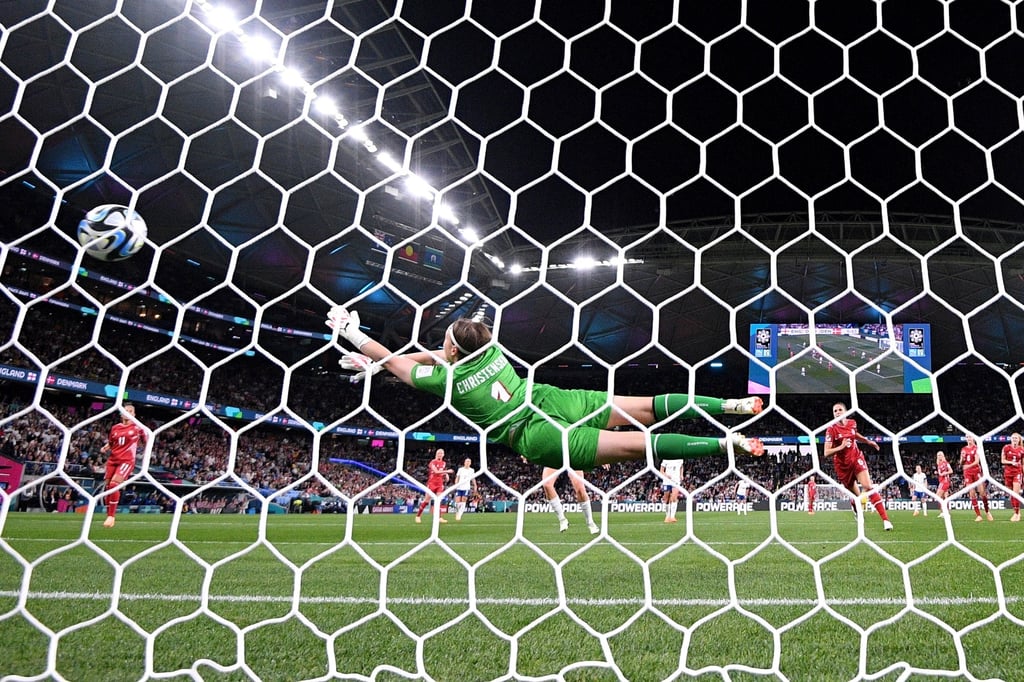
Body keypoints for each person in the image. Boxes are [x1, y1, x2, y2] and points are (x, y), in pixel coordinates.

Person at [326, 307, 765, 472]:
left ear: (453, 350)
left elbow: (404, 363)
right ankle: (730, 405)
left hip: (535, 434)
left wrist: (353, 335)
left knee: (640, 447)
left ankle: (726, 445)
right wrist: (379, 363)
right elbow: (433, 355)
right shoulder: (492, 351)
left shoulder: (449, 380)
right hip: (549, 398)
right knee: (646, 406)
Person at [823, 401, 893, 531]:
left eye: (840, 410)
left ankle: (886, 520)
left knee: (868, 487)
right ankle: (855, 507)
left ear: (846, 412)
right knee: (856, 497)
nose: (837, 412)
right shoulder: (831, 429)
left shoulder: (852, 423)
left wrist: (867, 441)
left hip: (856, 459)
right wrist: (841, 447)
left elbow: (854, 434)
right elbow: (826, 452)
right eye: (835, 411)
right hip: (842, 467)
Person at [99, 404, 147, 528]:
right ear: (121, 413)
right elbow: (111, 443)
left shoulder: (138, 427)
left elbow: (147, 441)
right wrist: (105, 447)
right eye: (125, 411)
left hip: (126, 461)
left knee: (114, 485)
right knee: (108, 487)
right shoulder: (115, 428)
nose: (127, 413)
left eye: (130, 411)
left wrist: (146, 454)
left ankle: (111, 516)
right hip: (112, 460)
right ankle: (109, 515)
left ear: (134, 414)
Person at [539, 464, 600, 534]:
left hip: (572, 458)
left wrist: (603, 460)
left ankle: (590, 523)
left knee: (580, 489)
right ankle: (562, 520)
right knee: (546, 484)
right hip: (556, 458)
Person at [959, 434, 993, 522]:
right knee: (972, 493)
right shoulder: (963, 449)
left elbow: (977, 461)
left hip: (976, 472)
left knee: (982, 493)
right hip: (967, 473)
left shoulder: (977, 448)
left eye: (970, 437)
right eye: (967, 437)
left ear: (973, 438)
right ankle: (978, 515)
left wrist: (968, 466)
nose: (968, 438)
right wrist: (962, 459)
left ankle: (987, 511)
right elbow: (961, 463)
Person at [415, 448, 453, 524]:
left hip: (440, 483)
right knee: (426, 500)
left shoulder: (444, 463)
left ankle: (439, 517)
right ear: (436, 454)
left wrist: (446, 475)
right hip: (432, 483)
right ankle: (418, 516)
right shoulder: (433, 462)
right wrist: (447, 471)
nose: (440, 454)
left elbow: (441, 472)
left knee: (438, 500)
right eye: (439, 453)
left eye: (441, 453)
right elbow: (436, 472)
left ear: (443, 455)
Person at [1000, 432, 1023, 522]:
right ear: (1011, 439)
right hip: (1008, 473)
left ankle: (1016, 514)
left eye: (1016, 438)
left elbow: (1023, 463)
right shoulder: (1006, 447)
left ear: (1019, 440)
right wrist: (1011, 462)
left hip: (1017, 472)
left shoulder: (1022, 449)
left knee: (1015, 494)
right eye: (1013, 438)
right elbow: (1002, 461)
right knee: (1011, 495)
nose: (1014, 439)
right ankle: (1016, 512)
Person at [660, 459, 683, 523]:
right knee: (666, 499)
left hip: (676, 481)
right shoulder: (666, 459)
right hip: (667, 481)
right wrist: (666, 475)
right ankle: (667, 516)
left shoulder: (680, 459)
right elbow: (661, 471)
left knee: (674, 498)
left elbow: (681, 466)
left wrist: (681, 475)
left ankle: (672, 517)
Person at [935, 451, 953, 518]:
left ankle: (944, 512)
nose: (939, 456)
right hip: (941, 481)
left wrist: (944, 473)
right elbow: (940, 473)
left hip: (944, 481)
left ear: (943, 456)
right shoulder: (939, 464)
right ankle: (945, 512)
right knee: (944, 497)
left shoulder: (946, 463)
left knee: (938, 496)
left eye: (940, 455)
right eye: (938, 455)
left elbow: (951, 471)